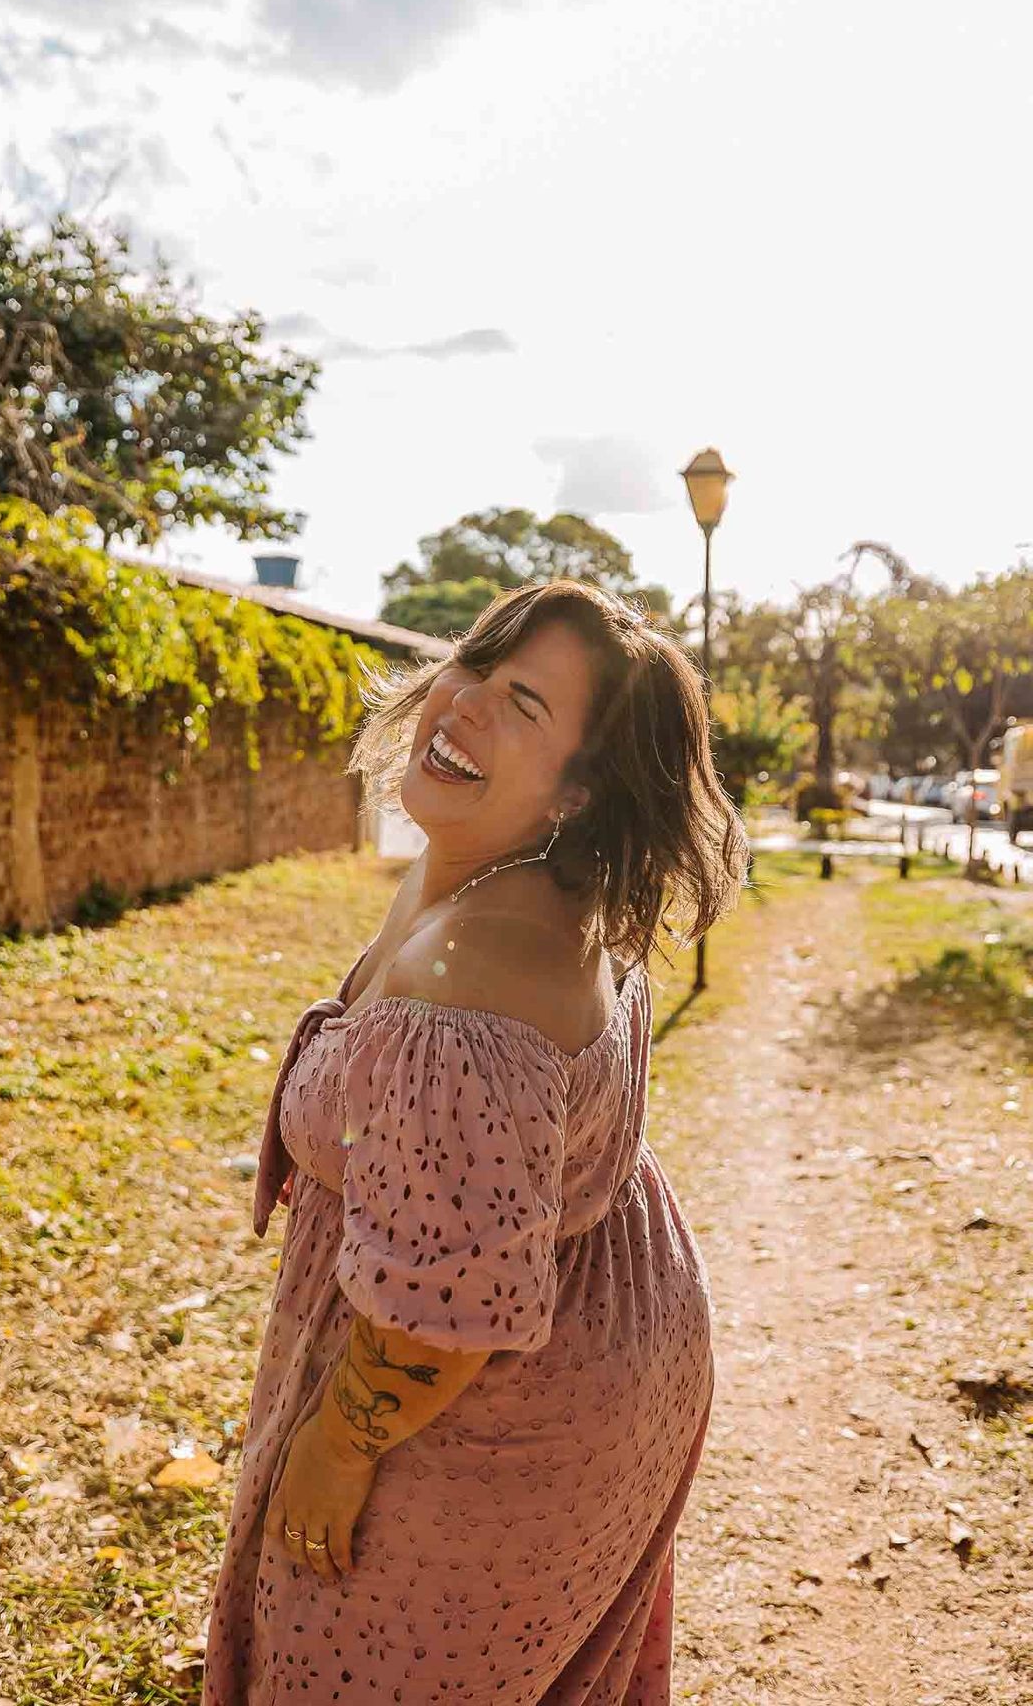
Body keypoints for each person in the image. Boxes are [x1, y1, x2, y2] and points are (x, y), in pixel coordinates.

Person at [202, 578, 747, 1705]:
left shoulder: (477, 977)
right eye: (479, 665)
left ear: (580, 790)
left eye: (527, 705)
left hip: (498, 1407)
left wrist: (336, 1448)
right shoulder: (506, 867)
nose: (467, 703)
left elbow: (444, 1314)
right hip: (606, 1340)